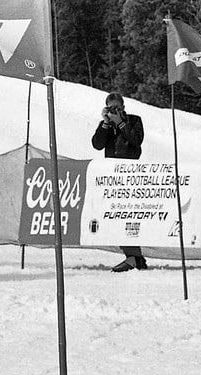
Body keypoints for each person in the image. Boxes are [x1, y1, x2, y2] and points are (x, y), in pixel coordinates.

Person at [91, 92, 147, 272]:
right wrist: (107, 124)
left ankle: (135, 257)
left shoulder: (134, 120)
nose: (115, 110)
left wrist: (121, 123)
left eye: (118, 107)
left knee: (128, 215)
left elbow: (136, 140)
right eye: (111, 108)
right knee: (116, 216)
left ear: (124, 106)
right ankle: (132, 257)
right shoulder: (106, 125)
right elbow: (97, 144)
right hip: (112, 173)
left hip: (130, 172)